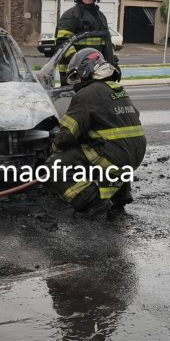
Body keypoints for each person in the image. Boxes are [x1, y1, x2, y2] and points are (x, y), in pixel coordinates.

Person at [47, 48, 146, 219]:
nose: (76, 82)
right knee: (111, 147)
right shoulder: (117, 89)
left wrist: (54, 143)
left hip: (115, 156)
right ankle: (120, 196)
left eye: (76, 76)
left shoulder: (86, 94)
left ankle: (92, 203)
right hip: (135, 155)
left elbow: (67, 136)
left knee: (56, 165)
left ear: (86, 70)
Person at [54, 0, 116, 86]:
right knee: (76, 100)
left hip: (96, 70)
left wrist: (112, 62)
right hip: (75, 71)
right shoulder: (71, 15)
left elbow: (106, 42)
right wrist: (79, 62)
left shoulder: (101, 17)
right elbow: (62, 42)